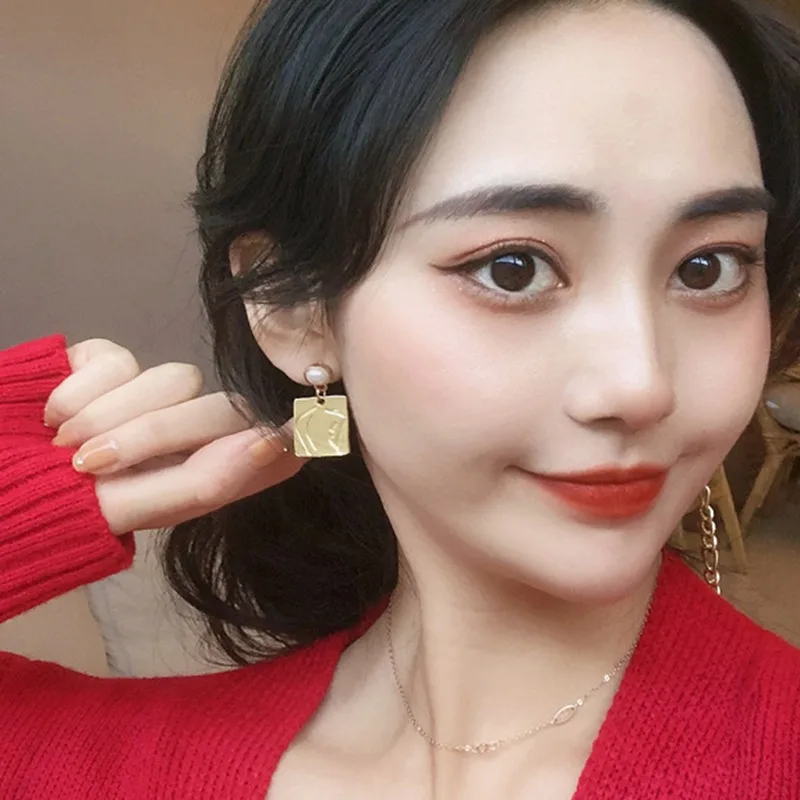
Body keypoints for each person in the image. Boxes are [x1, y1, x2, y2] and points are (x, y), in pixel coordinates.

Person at [2, 0, 800, 797]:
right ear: (294, 311)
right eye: (513, 268)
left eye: (710, 267)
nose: (641, 385)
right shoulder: (130, 765)